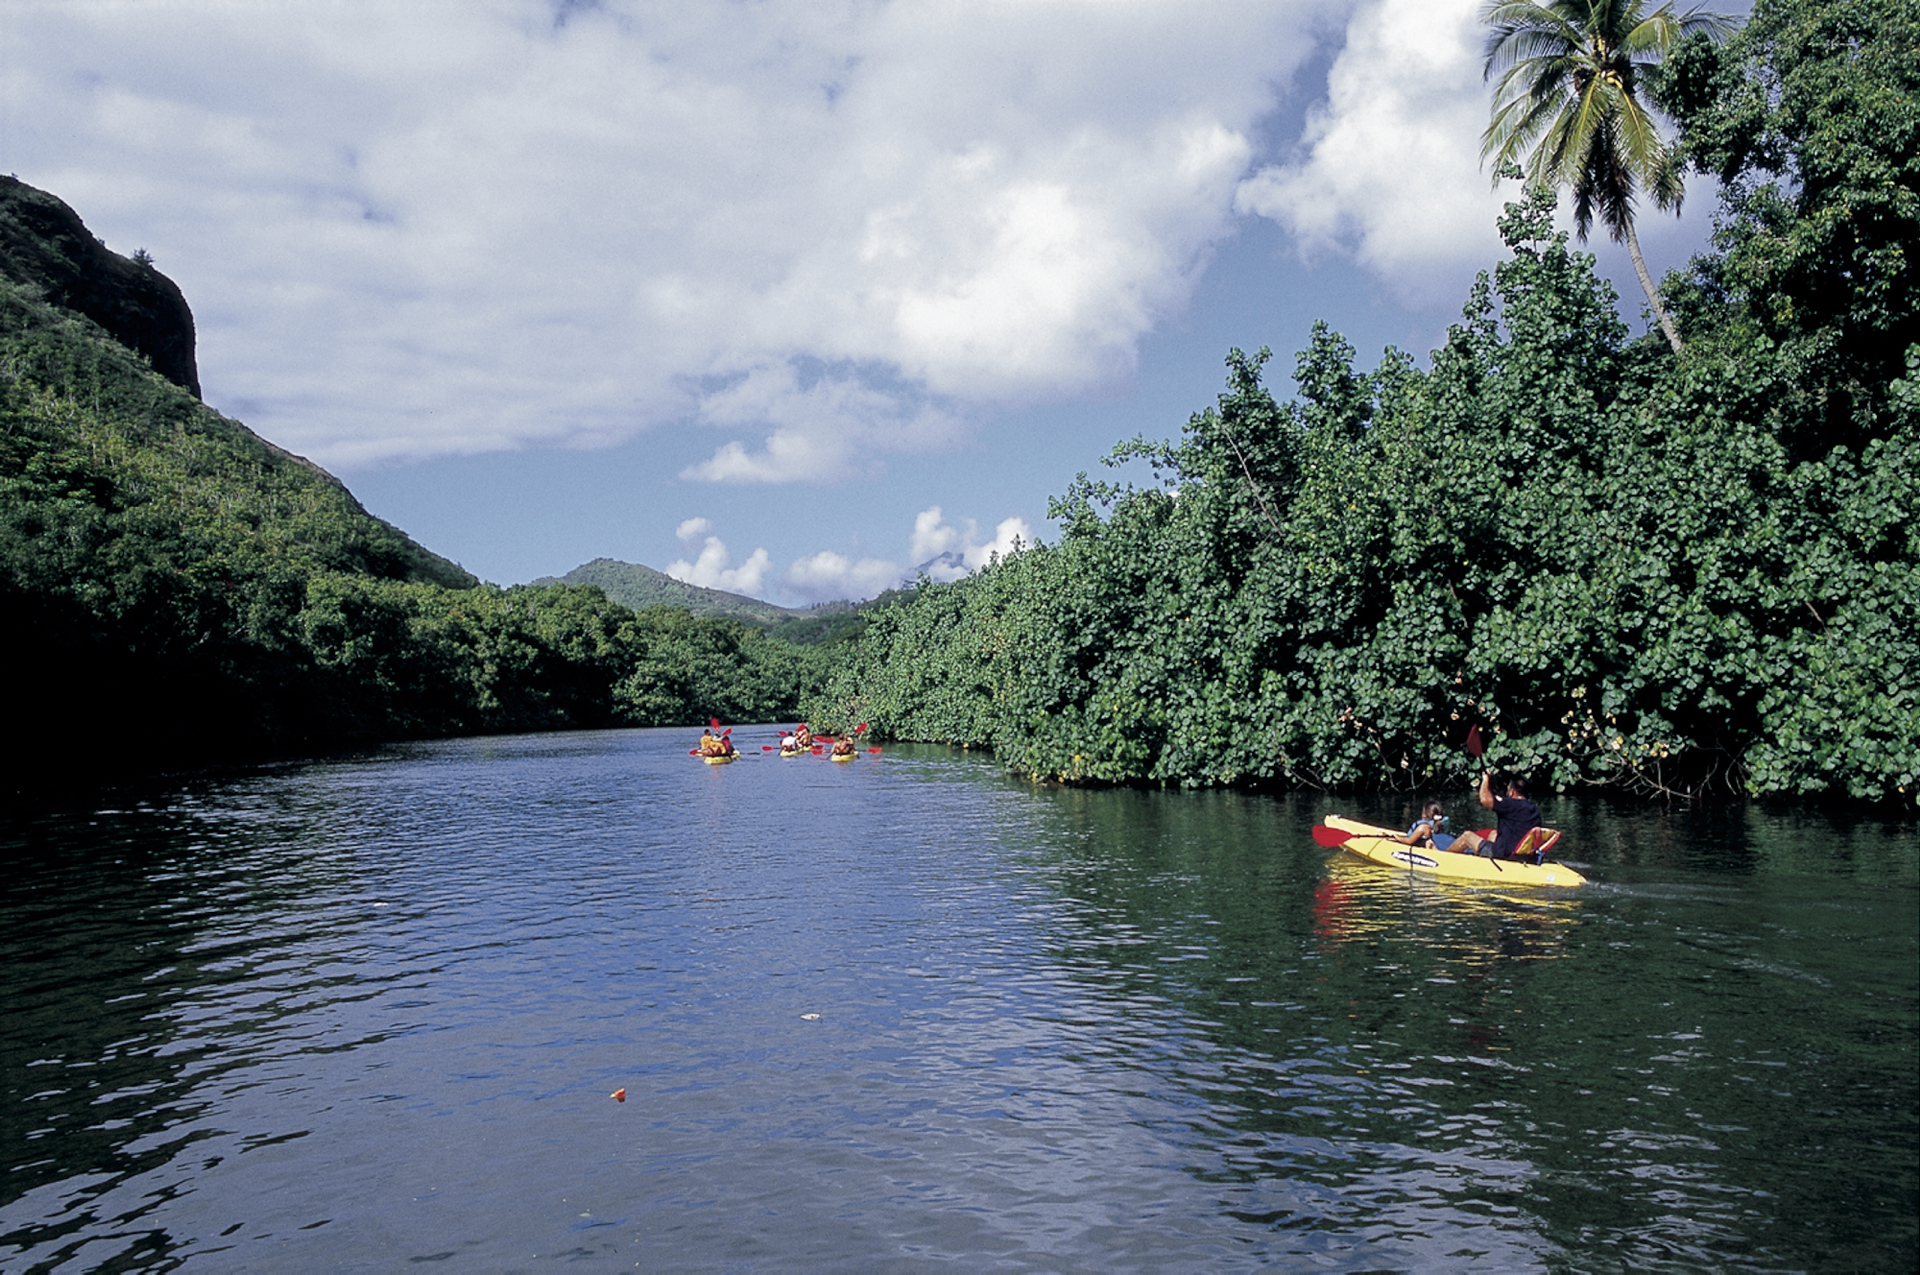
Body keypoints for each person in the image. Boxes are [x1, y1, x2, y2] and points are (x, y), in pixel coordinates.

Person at [1449, 772, 1541, 859]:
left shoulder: (1510, 805)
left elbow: (1485, 800)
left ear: (1512, 791)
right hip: (1524, 855)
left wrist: (1486, 779)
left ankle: (1443, 859)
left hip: (1504, 855)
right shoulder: (1534, 809)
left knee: (1467, 836)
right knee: (1494, 833)